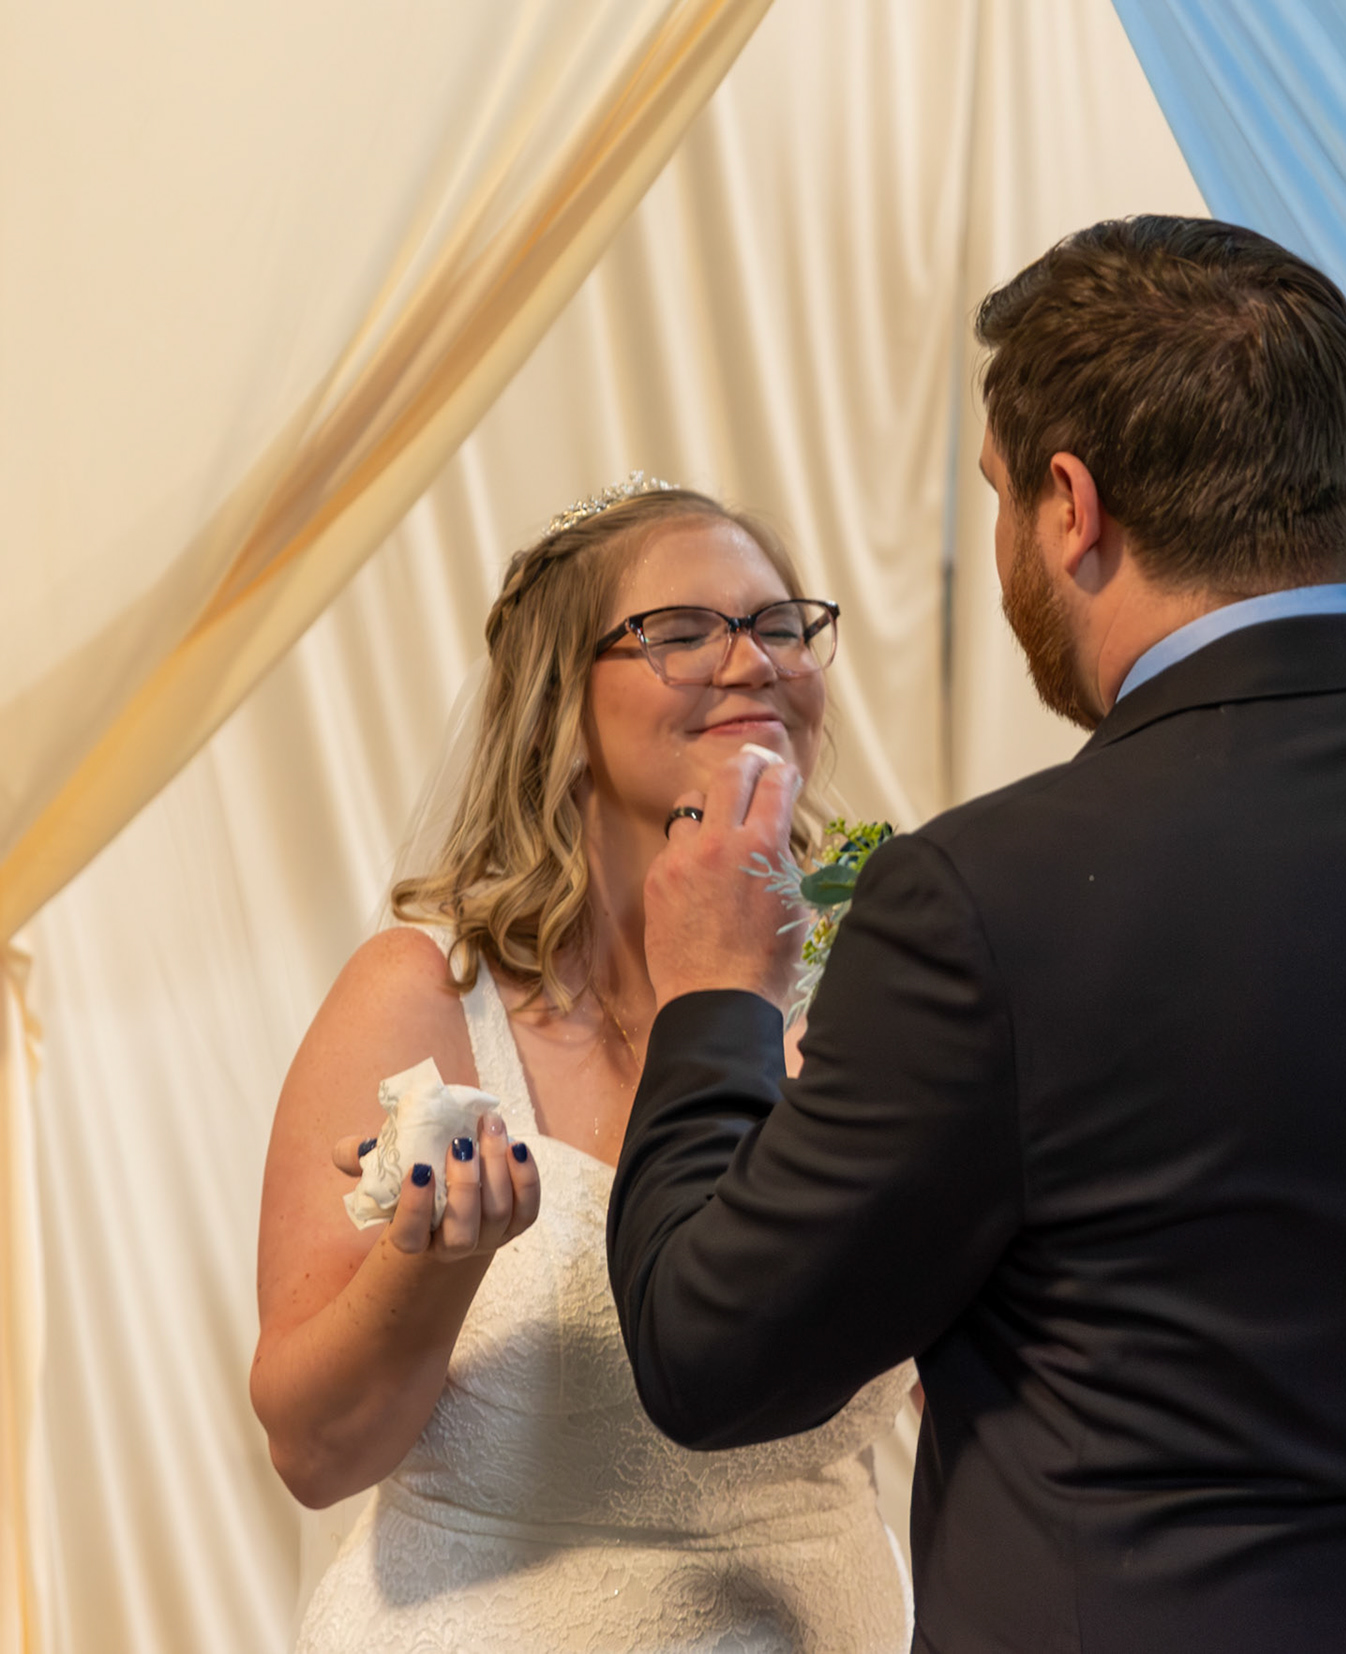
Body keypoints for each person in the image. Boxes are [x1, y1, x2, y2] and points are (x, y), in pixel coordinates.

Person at [605, 218, 1346, 1654]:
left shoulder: (991, 894)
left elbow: (710, 1358)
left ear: (1071, 503)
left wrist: (713, 998)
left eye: (1000, 495)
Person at [251, 482, 915, 1654]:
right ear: (561, 698)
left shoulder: (892, 991)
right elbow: (315, 1454)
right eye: (682, 631)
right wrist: (432, 1266)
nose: (752, 661)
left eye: (779, 625)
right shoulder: (423, 995)